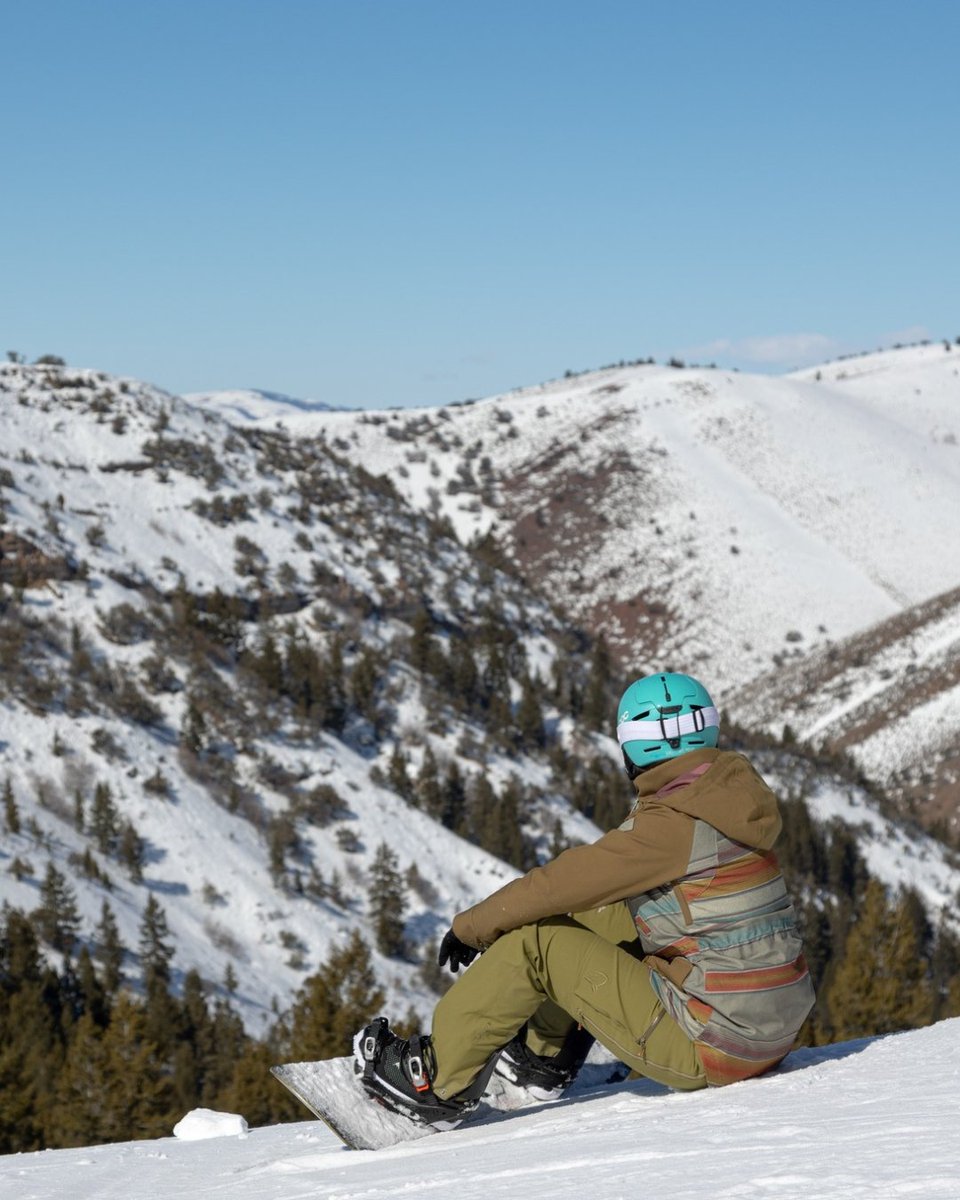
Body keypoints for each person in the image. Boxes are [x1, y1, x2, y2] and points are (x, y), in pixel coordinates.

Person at [355, 671, 815, 1127]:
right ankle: (542, 1058)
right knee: (614, 909)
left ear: (635, 746)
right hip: (766, 1031)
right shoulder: (730, 799)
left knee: (535, 941)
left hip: (713, 1046)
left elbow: (559, 884)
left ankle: (433, 1083)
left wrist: (471, 926)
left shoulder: (672, 826)